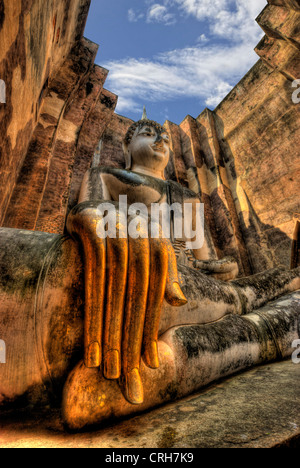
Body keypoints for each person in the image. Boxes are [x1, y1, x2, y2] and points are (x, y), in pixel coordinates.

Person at [66, 115, 300, 406]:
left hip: (190, 280)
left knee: (248, 288)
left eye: (164, 139)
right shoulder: (106, 175)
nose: (159, 141)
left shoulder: (186, 195)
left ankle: (283, 283)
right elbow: (88, 209)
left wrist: (219, 267)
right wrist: (106, 214)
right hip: (138, 266)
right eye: (148, 134)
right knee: (242, 298)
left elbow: (203, 258)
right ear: (128, 147)